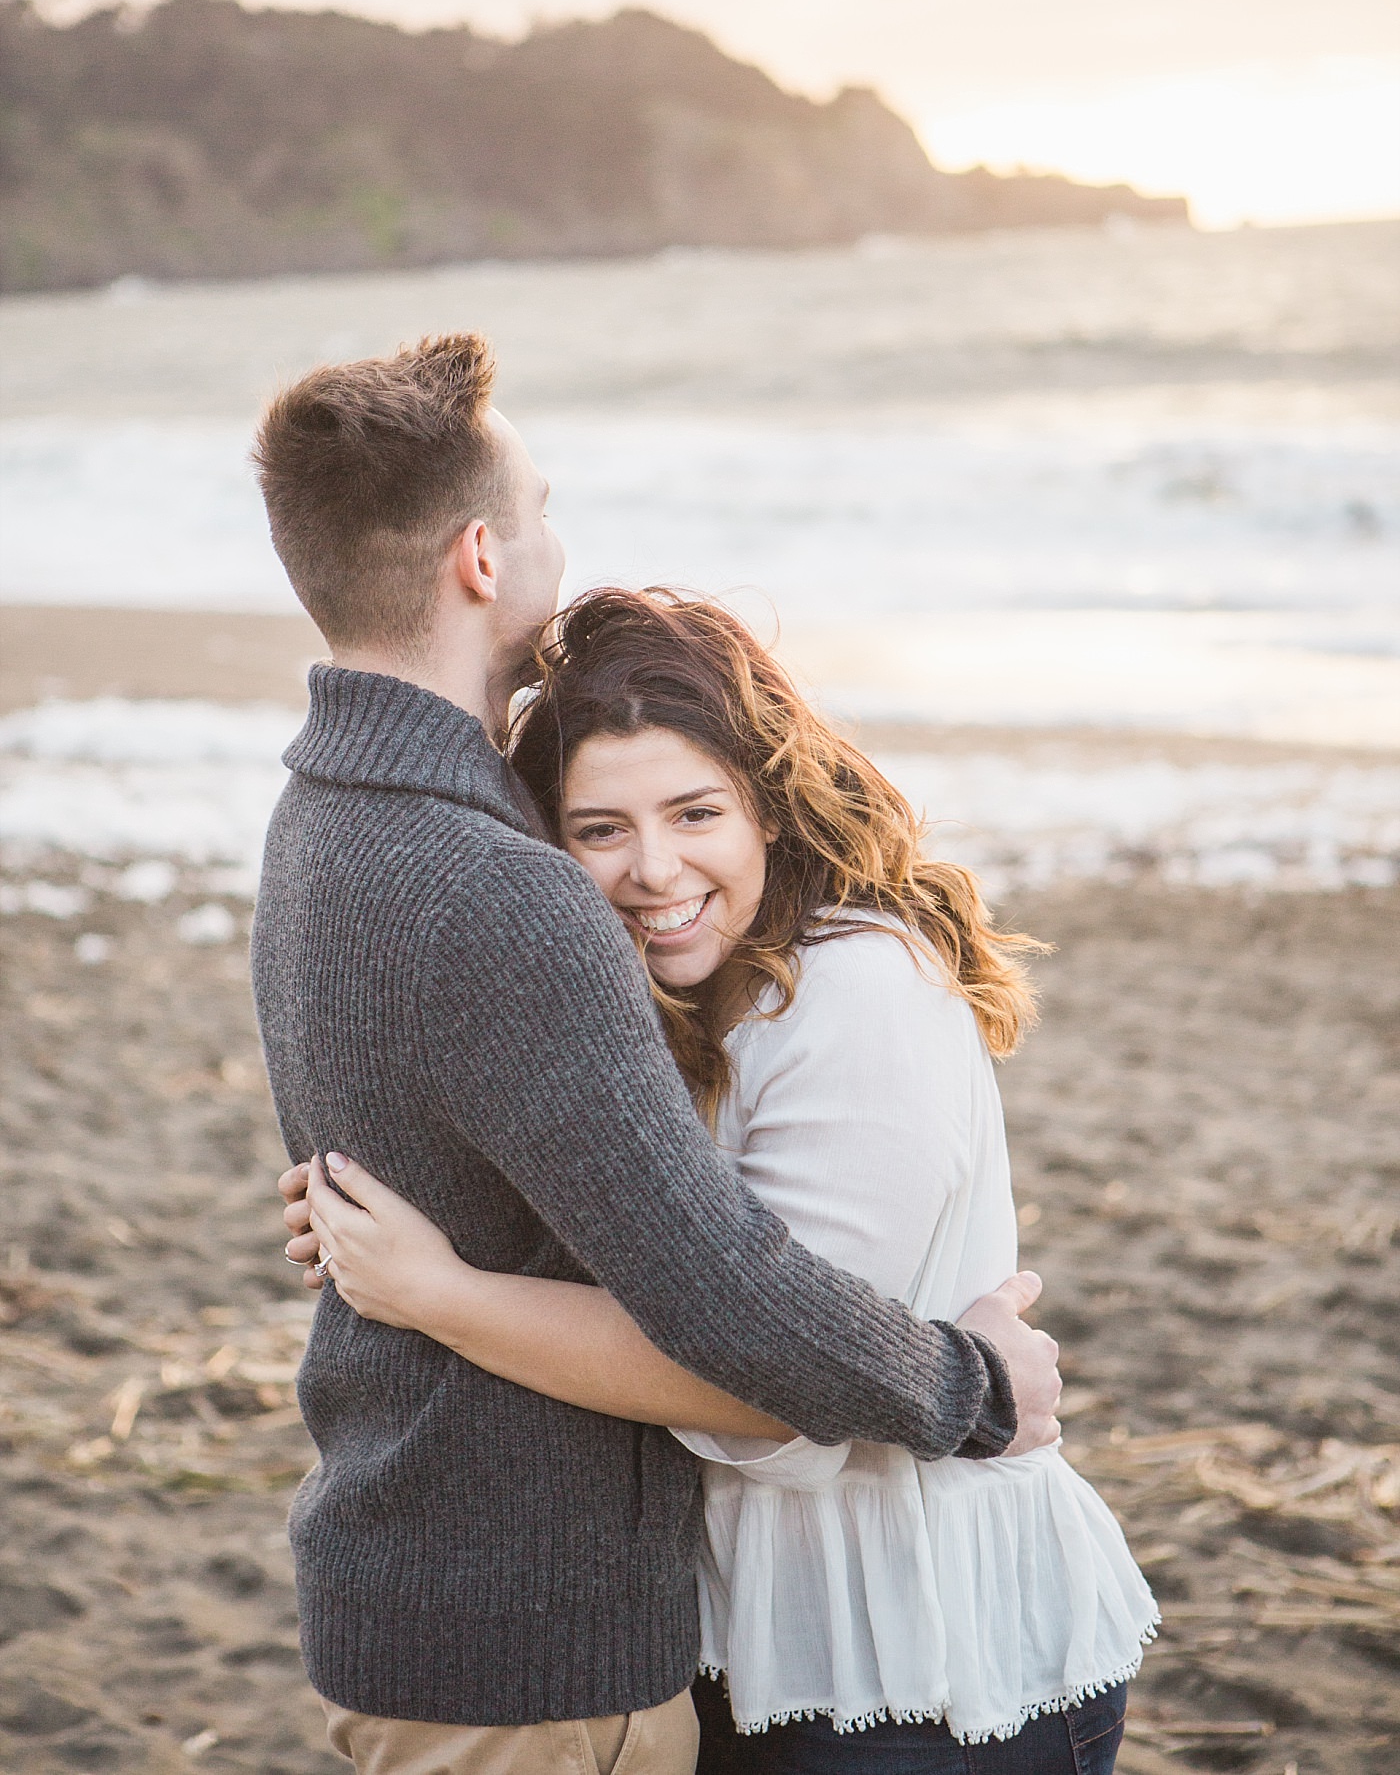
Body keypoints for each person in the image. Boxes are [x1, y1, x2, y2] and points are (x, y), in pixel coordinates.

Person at [250, 333, 1062, 1775]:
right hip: (530, 1646)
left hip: (417, 1579)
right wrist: (973, 1387)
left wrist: (424, 1271)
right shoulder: (495, 886)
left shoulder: (319, 820)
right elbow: (727, 1296)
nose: (559, 549)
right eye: (543, 512)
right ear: (483, 557)